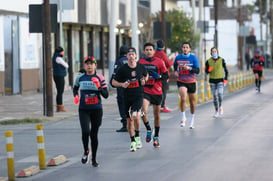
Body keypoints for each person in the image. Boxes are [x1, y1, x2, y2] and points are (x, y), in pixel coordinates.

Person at [73, 56, 109, 167]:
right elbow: (75, 88)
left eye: (91, 63)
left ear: (95, 65)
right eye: (87, 64)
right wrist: (76, 96)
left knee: (94, 134)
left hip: (96, 109)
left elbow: (106, 95)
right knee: (85, 131)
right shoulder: (80, 77)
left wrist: (99, 87)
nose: (89, 65)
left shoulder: (99, 77)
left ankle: (94, 158)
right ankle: (86, 151)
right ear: (84, 65)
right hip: (84, 109)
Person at [112, 47, 148, 152]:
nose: (131, 56)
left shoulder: (141, 67)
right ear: (127, 56)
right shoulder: (122, 69)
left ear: (136, 56)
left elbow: (146, 75)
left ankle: (137, 136)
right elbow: (113, 82)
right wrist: (122, 84)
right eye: (129, 54)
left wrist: (144, 81)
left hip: (138, 96)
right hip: (126, 97)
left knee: (136, 116)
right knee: (129, 120)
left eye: (133, 54)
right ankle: (132, 141)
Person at [139, 42, 169, 148]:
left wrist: (159, 76)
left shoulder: (159, 62)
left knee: (157, 115)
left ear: (154, 51)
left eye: (150, 49)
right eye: (146, 50)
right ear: (144, 51)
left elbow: (166, 75)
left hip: (157, 91)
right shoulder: (140, 62)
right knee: (143, 111)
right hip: (145, 91)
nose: (148, 51)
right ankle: (148, 129)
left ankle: (156, 137)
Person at [173, 42, 200, 129]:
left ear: (189, 49)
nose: (185, 49)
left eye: (186, 47)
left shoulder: (193, 58)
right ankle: (183, 117)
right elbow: (175, 66)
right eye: (183, 47)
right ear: (182, 49)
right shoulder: (178, 57)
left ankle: (192, 120)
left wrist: (189, 68)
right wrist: (176, 72)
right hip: (181, 81)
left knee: (192, 102)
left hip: (191, 81)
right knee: (183, 98)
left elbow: (197, 71)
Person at [205, 47, 229, 118]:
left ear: (217, 52)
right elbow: (206, 72)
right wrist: (209, 70)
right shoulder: (208, 61)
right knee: (215, 97)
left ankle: (220, 105)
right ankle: (216, 111)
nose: (214, 53)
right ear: (211, 53)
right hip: (212, 81)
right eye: (213, 52)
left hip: (220, 81)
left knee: (220, 94)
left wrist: (225, 79)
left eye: (215, 51)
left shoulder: (222, 60)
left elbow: (226, 71)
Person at [111, 45, 129, 132]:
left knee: (122, 104)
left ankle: (125, 124)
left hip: (121, 86)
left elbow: (115, 73)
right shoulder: (131, 59)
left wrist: (112, 82)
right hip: (131, 86)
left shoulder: (119, 61)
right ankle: (132, 123)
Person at [154, 39, 175, 113]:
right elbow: (168, 64)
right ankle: (162, 106)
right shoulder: (163, 54)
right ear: (163, 47)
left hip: (156, 75)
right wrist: (172, 60)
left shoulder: (154, 53)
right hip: (163, 75)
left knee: (157, 90)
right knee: (163, 91)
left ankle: (158, 105)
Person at [52, 46, 69, 112]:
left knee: (59, 91)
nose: (63, 53)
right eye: (62, 52)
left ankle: (59, 107)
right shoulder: (59, 58)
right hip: (60, 76)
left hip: (56, 75)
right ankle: (60, 106)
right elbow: (66, 65)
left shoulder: (54, 57)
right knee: (60, 91)